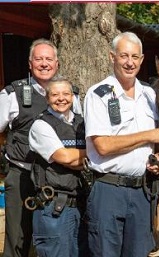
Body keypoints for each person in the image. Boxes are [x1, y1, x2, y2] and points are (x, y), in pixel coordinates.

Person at [83, 31, 159, 257]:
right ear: (112, 57)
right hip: (108, 190)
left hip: (142, 191)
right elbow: (103, 146)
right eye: (124, 56)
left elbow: (157, 144)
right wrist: (148, 136)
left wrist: (158, 159)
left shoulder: (149, 95)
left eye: (135, 57)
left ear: (141, 59)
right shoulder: (98, 94)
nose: (130, 62)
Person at [0, 38, 81, 257]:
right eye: (38, 59)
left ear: (57, 63)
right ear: (30, 63)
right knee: (18, 239)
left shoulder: (71, 94)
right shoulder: (13, 93)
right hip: (23, 176)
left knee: (60, 241)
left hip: (60, 180)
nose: (44, 64)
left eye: (48, 59)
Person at [28, 77, 88, 257]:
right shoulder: (41, 125)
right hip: (54, 209)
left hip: (82, 205)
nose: (61, 98)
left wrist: (85, 158)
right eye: (55, 94)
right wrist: (93, 155)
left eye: (66, 94)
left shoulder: (83, 123)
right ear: (47, 98)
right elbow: (64, 157)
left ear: (73, 97)